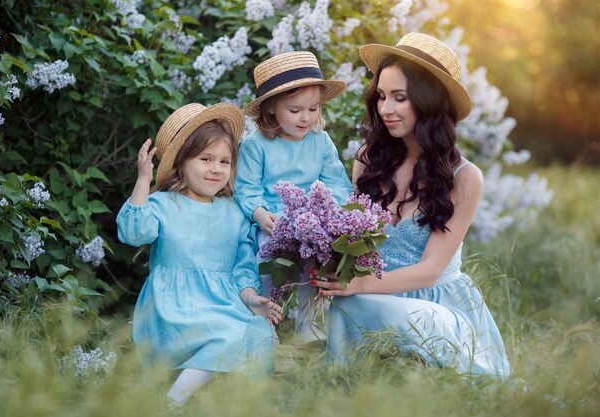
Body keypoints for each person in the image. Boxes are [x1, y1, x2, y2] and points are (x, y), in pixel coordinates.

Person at [312, 33, 511, 377]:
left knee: (373, 306)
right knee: (346, 304)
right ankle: (349, 382)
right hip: (368, 293)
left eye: (399, 98)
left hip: (435, 303)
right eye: (381, 96)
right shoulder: (368, 161)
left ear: (429, 101)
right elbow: (353, 244)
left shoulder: (465, 177)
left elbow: (430, 270)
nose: (385, 110)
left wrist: (359, 284)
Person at [116, 103, 283, 407]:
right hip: (173, 306)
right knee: (229, 334)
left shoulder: (234, 213)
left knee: (259, 331)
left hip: (221, 304)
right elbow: (134, 233)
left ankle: (238, 406)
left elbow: (241, 267)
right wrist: (143, 180)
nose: (216, 169)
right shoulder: (163, 204)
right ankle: (171, 403)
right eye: (205, 159)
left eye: (224, 161)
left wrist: (250, 299)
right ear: (181, 163)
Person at [235, 51, 353, 345]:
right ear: (272, 108)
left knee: (315, 259)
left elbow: (337, 184)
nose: (306, 117)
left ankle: (307, 323)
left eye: (313, 109)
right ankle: (264, 320)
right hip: (272, 222)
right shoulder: (256, 145)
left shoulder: (320, 141)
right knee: (264, 257)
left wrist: (327, 212)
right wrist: (261, 215)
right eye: (295, 109)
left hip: (312, 220)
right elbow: (246, 189)